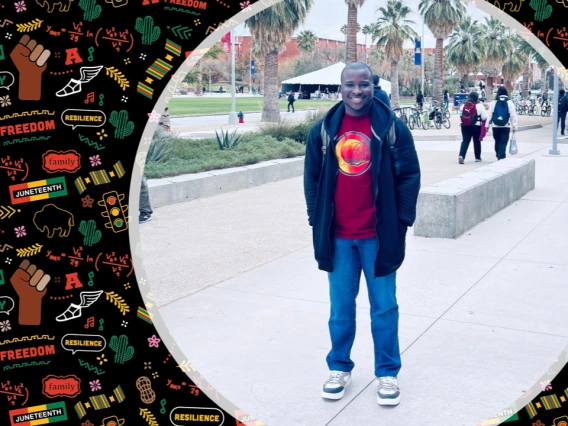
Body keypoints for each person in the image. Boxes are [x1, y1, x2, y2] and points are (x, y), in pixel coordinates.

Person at [303, 62, 421, 407]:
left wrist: (400, 222)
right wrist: (315, 218)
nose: (357, 91)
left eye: (364, 84)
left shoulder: (392, 128)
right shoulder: (323, 131)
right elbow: (311, 177)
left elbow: (410, 175)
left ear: (373, 86)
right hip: (338, 238)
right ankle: (339, 366)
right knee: (340, 308)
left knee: (384, 307)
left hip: (378, 237)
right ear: (340, 88)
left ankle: (387, 372)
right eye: (350, 85)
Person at [486, 86, 518, 160]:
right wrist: (514, 126)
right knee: (503, 142)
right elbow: (513, 116)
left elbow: (490, 114)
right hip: (506, 126)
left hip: (495, 126)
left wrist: (487, 125)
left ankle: (498, 154)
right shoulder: (509, 102)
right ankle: (501, 157)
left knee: (497, 141)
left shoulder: (494, 102)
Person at [458, 91, 487, 164]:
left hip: (464, 125)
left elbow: (460, 115)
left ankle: (461, 155)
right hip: (476, 126)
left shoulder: (463, 105)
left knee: (465, 141)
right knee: (477, 141)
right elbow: (484, 117)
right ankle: (477, 157)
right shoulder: (479, 106)